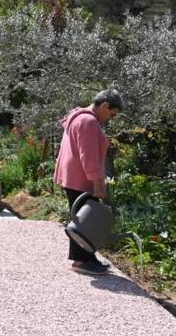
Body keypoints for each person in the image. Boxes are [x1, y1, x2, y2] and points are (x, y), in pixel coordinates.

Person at [53, 89, 125, 275]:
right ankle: (81, 261)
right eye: (112, 113)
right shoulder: (89, 122)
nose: (111, 117)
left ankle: (87, 257)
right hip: (81, 177)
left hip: (73, 175)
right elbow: (89, 157)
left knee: (82, 217)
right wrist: (98, 184)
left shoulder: (78, 116)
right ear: (104, 105)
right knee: (84, 220)